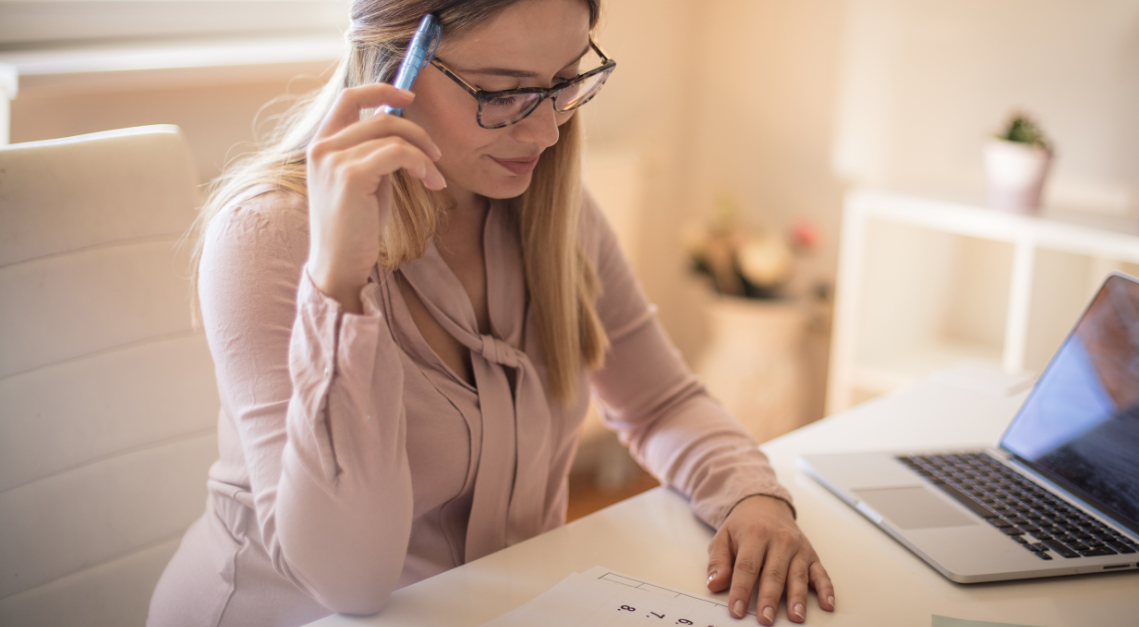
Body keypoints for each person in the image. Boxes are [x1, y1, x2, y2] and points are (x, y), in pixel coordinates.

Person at [148, 0, 835, 625]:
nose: (546, 128)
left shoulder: (550, 213)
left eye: (566, 80)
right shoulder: (269, 235)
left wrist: (753, 497)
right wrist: (339, 288)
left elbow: (659, 401)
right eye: (503, 93)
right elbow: (347, 583)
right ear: (395, 69)